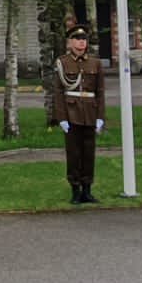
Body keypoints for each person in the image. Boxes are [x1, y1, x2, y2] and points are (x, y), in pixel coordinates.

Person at [53, 23, 106, 204]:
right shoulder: (63, 63)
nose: (81, 43)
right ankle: (75, 190)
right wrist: (61, 117)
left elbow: (100, 92)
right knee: (74, 153)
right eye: (77, 39)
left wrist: (100, 116)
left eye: (84, 39)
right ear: (70, 42)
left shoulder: (95, 63)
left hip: (90, 112)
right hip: (71, 112)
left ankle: (87, 189)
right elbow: (58, 92)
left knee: (89, 153)